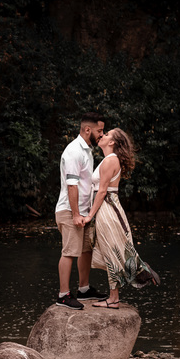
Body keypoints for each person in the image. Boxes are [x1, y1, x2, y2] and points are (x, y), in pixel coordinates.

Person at [85, 128, 159, 309]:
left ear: (112, 143)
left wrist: (90, 216)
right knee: (109, 251)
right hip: (107, 208)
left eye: (107, 134)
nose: (102, 135)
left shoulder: (111, 160)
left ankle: (118, 293)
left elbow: (102, 191)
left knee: (112, 251)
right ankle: (133, 277)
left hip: (107, 209)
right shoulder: (108, 160)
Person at [53, 112, 108, 310]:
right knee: (69, 252)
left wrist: (87, 213)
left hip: (84, 211)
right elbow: (72, 185)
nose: (102, 135)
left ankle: (83, 290)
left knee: (86, 249)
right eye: (99, 131)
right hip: (69, 210)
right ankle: (63, 295)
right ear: (87, 130)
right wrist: (76, 214)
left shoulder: (86, 150)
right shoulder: (73, 151)